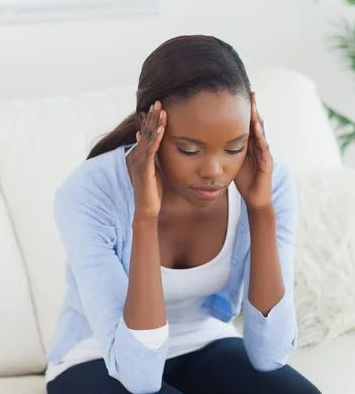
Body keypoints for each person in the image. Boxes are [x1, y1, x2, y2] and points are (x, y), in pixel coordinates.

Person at [45, 35, 321, 394]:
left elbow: (270, 356)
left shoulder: (268, 179)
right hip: (98, 358)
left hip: (203, 341)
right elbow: (139, 377)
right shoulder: (89, 193)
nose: (214, 170)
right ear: (148, 125)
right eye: (189, 150)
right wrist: (145, 217)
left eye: (234, 147)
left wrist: (261, 210)